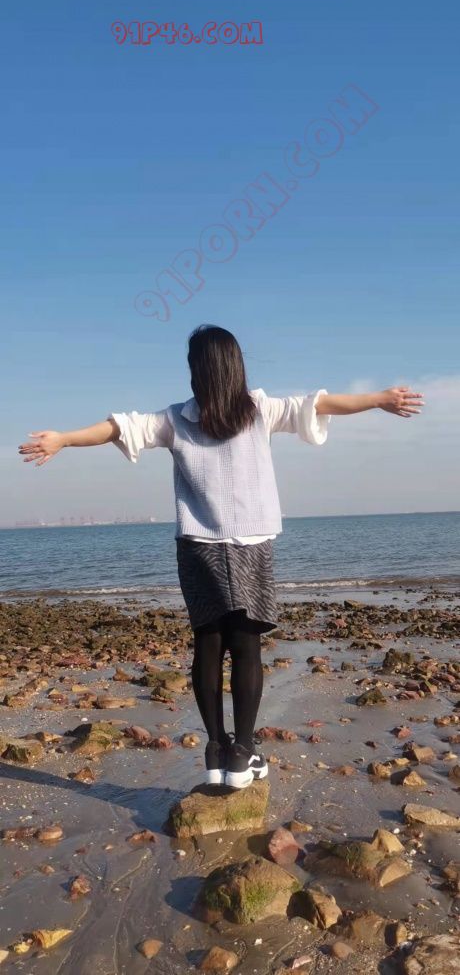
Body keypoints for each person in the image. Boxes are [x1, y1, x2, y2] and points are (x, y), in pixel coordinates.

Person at [18, 324, 424, 788]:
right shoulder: (259, 410)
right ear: (236, 366)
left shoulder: (176, 419)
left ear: (196, 370)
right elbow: (319, 403)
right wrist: (379, 399)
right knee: (246, 647)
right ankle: (242, 753)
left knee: (208, 645)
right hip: (251, 544)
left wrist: (64, 439)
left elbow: (118, 427)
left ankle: (216, 748)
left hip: (198, 547)